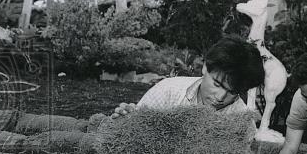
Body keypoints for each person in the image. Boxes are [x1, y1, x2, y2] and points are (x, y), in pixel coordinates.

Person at [112, 36, 265, 117]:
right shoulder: (168, 91)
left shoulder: (241, 120)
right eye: (217, 84)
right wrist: (127, 121)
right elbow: (135, 127)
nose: (220, 97)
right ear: (205, 67)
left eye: (232, 92)